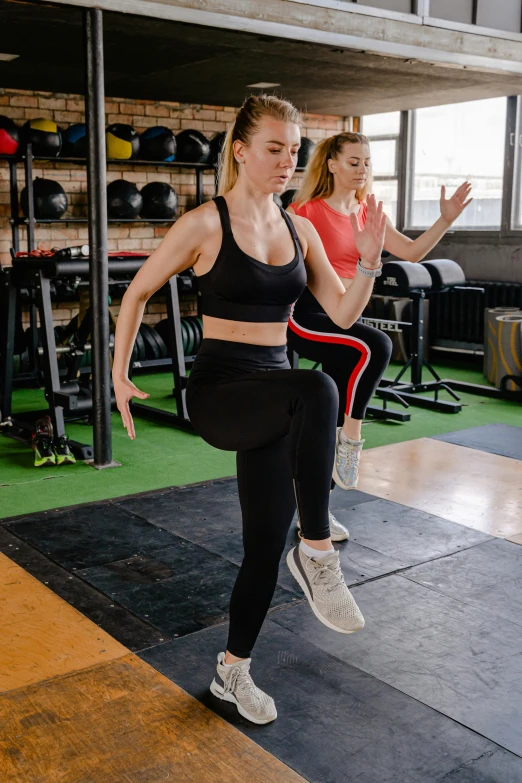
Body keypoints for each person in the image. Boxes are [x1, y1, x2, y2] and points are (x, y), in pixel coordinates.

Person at [112, 96, 385, 726]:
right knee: (317, 389)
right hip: (222, 393)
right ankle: (317, 551)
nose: (288, 161)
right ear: (240, 149)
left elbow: (341, 314)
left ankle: (233, 670)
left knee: (263, 543)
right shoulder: (205, 224)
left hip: (276, 395)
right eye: (274, 147)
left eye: (295, 150)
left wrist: (369, 257)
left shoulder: (301, 229)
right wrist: (120, 375)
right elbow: (136, 292)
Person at [287, 131, 472, 541]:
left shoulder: (367, 213)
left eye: (367, 162)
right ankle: (351, 439)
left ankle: (314, 515)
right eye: (353, 161)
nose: (362, 169)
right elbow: (290, 269)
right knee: (378, 344)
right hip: (307, 316)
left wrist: (446, 219)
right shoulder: (306, 211)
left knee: (325, 418)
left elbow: (412, 252)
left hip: (345, 318)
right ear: (332, 164)